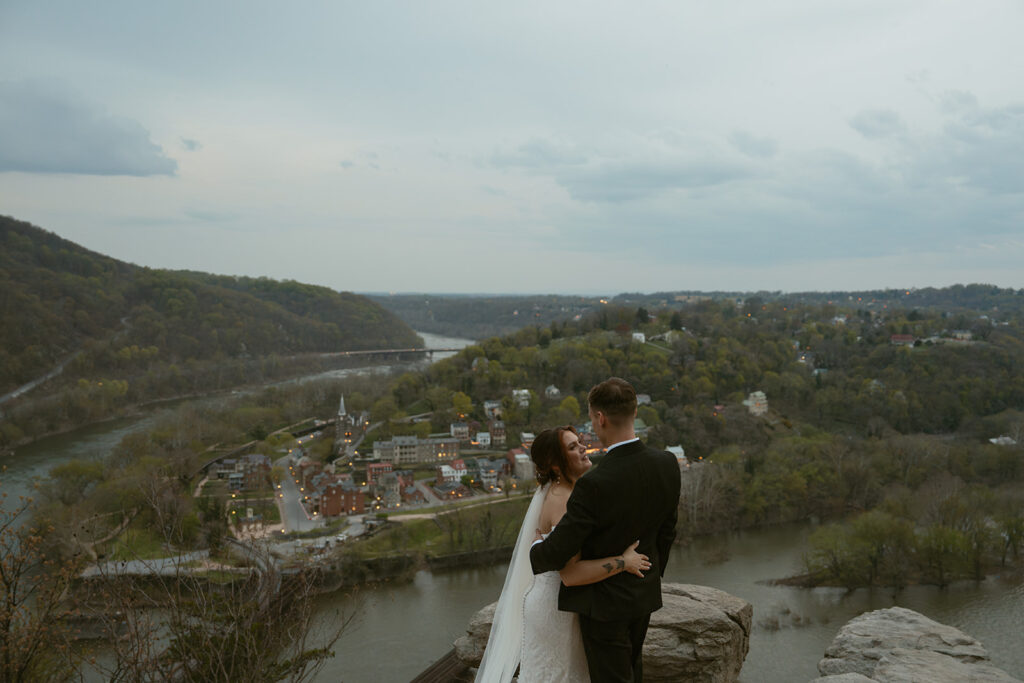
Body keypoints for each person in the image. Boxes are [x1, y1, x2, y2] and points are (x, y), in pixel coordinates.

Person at [530, 378, 681, 682]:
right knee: (632, 671)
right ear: (635, 411)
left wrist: (536, 546)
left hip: (603, 607)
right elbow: (668, 532)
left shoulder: (594, 484)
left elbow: (555, 554)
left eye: (591, 419)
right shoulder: (667, 462)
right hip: (643, 593)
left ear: (600, 418)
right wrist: (650, 576)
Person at [475, 424, 651, 683]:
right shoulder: (563, 500)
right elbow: (570, 574)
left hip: (560, 604)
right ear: (555, 464)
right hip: (557, 608)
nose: (583, 447)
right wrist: (624, 561)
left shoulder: (570, 493)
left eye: (580, 441)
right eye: (572, 446)